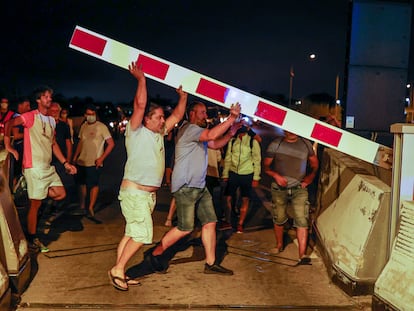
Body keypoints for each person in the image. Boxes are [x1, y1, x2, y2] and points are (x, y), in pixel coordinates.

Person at [108, 61, 188, 291]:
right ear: (147, 119)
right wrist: (142, 79)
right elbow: (140, 104)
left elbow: (179, 114)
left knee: (131, 233)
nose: (164, 120)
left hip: (146, 196)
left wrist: (182, 96)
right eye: (159, 117)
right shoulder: (135, 131)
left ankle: (119, 270)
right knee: (143, 236)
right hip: (135, 193)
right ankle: (118, 269)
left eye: (163, 117)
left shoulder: (159, 133)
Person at [149, 101, 241, 276]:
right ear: (191, 113)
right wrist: (232, 118)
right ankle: (156, 253)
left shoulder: (197, 132)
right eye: (202, 112)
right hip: (185, 187)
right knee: (185, 227)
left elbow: (214, 144)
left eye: (205, 112)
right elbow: (212, 134)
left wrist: (231, 133)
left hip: (199, 185)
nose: (205, 116)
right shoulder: (189, 129)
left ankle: (211, 263)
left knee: (210, 222)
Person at [4, 86, 77, 253]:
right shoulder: (30, 117)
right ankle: (32, 238)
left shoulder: (51, 120)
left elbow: (53, 144)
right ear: (38, 100)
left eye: (50, 96)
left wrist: (65, 163)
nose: (49, 99)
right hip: (34, 167)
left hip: (48, 167)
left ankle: (28, 189)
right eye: (45, 97)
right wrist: (9, 146)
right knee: (35, 205)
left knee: (61, 193)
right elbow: (9, 123)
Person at [263, 130, 319, 265]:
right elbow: (266, 166)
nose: (292, 131)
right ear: (284, 129)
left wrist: (310, 177)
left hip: (300, 188)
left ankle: (302, 254)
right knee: (279, 217)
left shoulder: (305, 144)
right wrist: (276, 175)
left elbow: (314, 165)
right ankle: (279, 245)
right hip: (279, 188)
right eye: (288, 128)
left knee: (302, 219)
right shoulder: (276, 144)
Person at [72, 104, 115, 217]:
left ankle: (90, 207)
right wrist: (75, 157)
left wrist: (101, 158)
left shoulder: (101, 127)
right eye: (89, 114)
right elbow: (80, 142)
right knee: (81, 184)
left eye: (93, 114)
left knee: (93, 184)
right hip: (82, 160)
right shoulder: (84, 126)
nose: (91, 116)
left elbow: (111, 144)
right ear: (85, 115)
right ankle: (82, 206)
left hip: (95, 161)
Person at [222, 124, 261, 233]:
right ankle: (228, 221)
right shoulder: (233, 141)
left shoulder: (252, 142)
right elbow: (228, 158)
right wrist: (225, 174)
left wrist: (256, 177)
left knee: (245, 199)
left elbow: (257, 160)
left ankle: (240, 223)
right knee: (227, 198)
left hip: (247, 174)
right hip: (233, 173)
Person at [11, 97, 31, 187]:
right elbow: (15, 136)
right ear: (20, 106)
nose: (29, 108)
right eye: (27, 105)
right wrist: (29, 134)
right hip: (19, 149)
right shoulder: (17, 118)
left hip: (21, 148)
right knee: (17, 172)